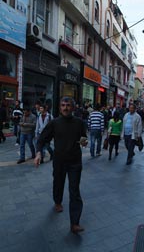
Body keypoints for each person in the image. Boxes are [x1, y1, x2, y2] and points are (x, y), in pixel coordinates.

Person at [34, 97, 88, 234]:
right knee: (58, 183)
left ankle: (74, 223)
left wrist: (84, 142)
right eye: (63, 105)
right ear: (60, 107)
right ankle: (57, 201)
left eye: (68, 105)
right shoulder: (54, 123)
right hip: (59, 161)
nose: (65, 108)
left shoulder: (79, 122)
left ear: (73, 107)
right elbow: (41, 139)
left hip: (75, 162)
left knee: (74, 191)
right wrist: (39, 153)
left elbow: (83, 137)